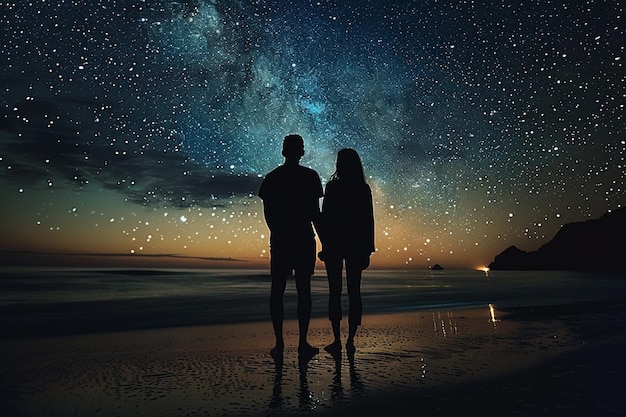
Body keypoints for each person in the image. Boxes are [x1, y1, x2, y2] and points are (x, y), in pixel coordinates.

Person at [258, 134, 323, 359]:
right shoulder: (310, 177)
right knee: (303, 291)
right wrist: (326, 242)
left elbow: (268, 216)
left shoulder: (272, 178)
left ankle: (280, 344)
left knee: (278, 291)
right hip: (303, 238)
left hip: (282, 240)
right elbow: (316, 214)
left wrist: (278, 233)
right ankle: (302, 343)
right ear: (301, 152)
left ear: (283, 151)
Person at [318, 148, 375, 354]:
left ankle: (336, 340)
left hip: (335, 244)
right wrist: (368, 249)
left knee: (335, 292)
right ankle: (350, 340)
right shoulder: (362, 188)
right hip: (356, 245)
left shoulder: (333, 187)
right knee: (354, 292)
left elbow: (326, 218)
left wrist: (325, 246)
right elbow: (368, 221)